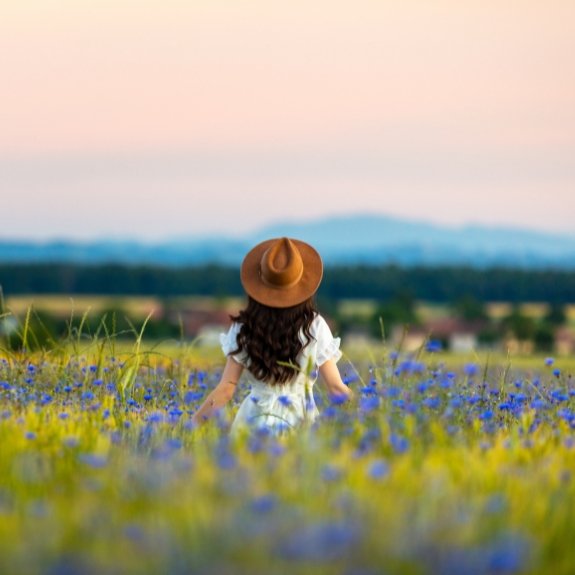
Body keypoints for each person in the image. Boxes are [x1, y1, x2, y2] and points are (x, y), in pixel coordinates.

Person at [191, 236, 353, 435]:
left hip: (253, 421)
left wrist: (192, 424)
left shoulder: (244, 327)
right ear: (303, 286)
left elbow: (226, 389)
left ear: (258, 285)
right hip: (300, 421)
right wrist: (372, 416)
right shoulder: (315, 326)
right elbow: (336, 388)